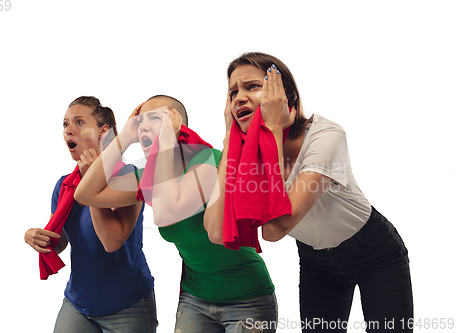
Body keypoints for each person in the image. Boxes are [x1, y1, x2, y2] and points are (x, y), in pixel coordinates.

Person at [204, 52, 413, 332]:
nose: (238, 98)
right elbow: (216, 232)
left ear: (283, 95)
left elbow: (276, 227)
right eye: (232, 92)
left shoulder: (326, 137)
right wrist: (230, 138)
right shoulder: (244, 154)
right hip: (317, 260)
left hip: (373, 251)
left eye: (252, 86)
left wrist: (274, 130)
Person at [75, 95, 278, 333]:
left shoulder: (208, 161)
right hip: (195, 300)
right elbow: (86, 194)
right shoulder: (148, 177)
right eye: (140, 122)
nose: (144, 127)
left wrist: (167, 142)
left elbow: (166, 213)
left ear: (177, 125)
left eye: (155, 118)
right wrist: (124, 138)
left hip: (248, 298)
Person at [24, 96, 157, 333]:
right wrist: (36, 238)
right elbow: (62, 242)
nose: (69, 130)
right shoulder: (64, 186)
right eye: (65, 125)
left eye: (79, 122)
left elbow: (111, 241)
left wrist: (89, 182)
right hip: (78, 303)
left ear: (102, 132)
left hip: (128, 306)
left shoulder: (130, 178)